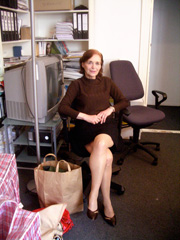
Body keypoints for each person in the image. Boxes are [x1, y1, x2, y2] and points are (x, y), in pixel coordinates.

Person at [59, 49, 129, 226]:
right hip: (85, 128)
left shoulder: (107, 82)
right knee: (107, 157)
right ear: (83, 64)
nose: (93, 66)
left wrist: (110, 109)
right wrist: (85, 116)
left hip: (106, 127)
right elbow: (63, 108)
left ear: (100, 66)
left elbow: (123, 101)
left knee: (101, 143)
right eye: (90, 62)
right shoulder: (77, 84)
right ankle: (107, 202)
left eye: (97, 63)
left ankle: (93, 196)